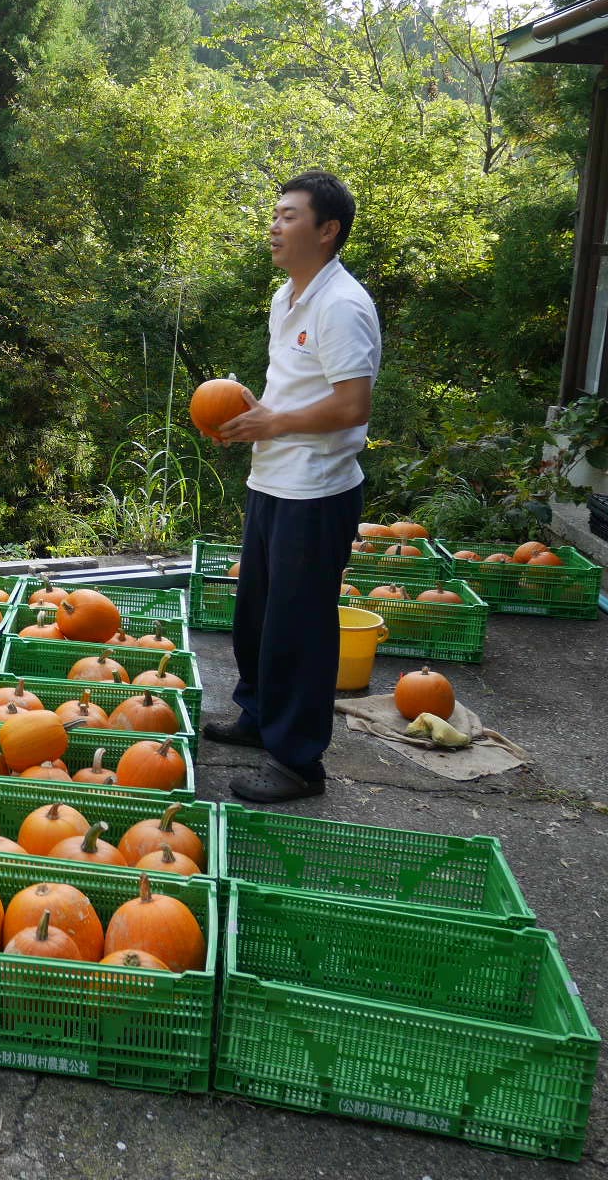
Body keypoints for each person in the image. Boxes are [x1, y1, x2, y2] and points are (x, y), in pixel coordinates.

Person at [206, 169, 381, 803]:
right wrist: (255, 411)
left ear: (327, 230)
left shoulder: (341, 305)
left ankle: (300, 763)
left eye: (289, 215)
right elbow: (298, 392)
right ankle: (258, 719)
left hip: (318, 490)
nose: (275, 225)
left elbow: (353, 405)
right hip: (274, 479)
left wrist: (275, 421)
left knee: (299, 629)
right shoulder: (289, 297)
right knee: (256, 615)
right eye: (275, 214)